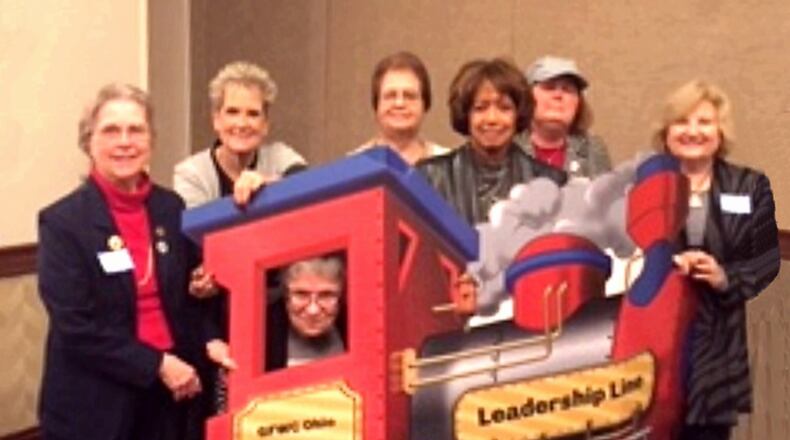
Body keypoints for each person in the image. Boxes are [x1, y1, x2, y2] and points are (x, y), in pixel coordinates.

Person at [37, 83, 202, 440]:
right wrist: (157, 364)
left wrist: (210, 339)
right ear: (89, 142)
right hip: (96, 402)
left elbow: (188, 298)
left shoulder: (170, 208)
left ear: (151, 141)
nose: (125, 142)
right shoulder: (64, 223)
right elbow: (77, 327)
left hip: (169, 395)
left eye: (136, 130)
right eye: (111, 131)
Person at [653, 80, 780, 439]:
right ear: (666, 133)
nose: (693, 131)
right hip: (654, 341)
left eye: (704, 122)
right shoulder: (643, 184)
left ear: (721, 132)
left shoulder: (748, 186)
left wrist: (725, 276)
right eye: (682, 122)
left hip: (717, 347)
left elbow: (766, 259)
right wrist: (663, 267)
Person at [417, 57, 567, 225]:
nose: (492, 119)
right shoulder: (429, 178)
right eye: (480, 108)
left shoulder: (551, 183)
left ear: (518, 114)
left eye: (504, 108)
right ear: (466, 115)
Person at [174, 60, 307, 208]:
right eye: (232, 112)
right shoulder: (192, 174)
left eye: (253, 114)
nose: (242, 124)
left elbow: (307, 186)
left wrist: (267, 183)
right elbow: (196, 229)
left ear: (265, 125)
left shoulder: (280, 157)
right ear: (216, 120)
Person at [353, 51, 449, 165]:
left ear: (425, 104)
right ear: (376, 104)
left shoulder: (448, 167)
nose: (399, 103)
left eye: (409, 96)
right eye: (390, 96)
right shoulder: (354, 165)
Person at [522, 55, 611, 178]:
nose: (558, 95)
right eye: (549, 87)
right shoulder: (507, 147)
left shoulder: (593, 149)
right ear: (527, 97)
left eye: (567, 89)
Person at [265, 256, 346, 370]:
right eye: (301, 294)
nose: (313, 310)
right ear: (286, 296)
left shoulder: (356, 327)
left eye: (326, 295)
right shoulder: (260, 334)